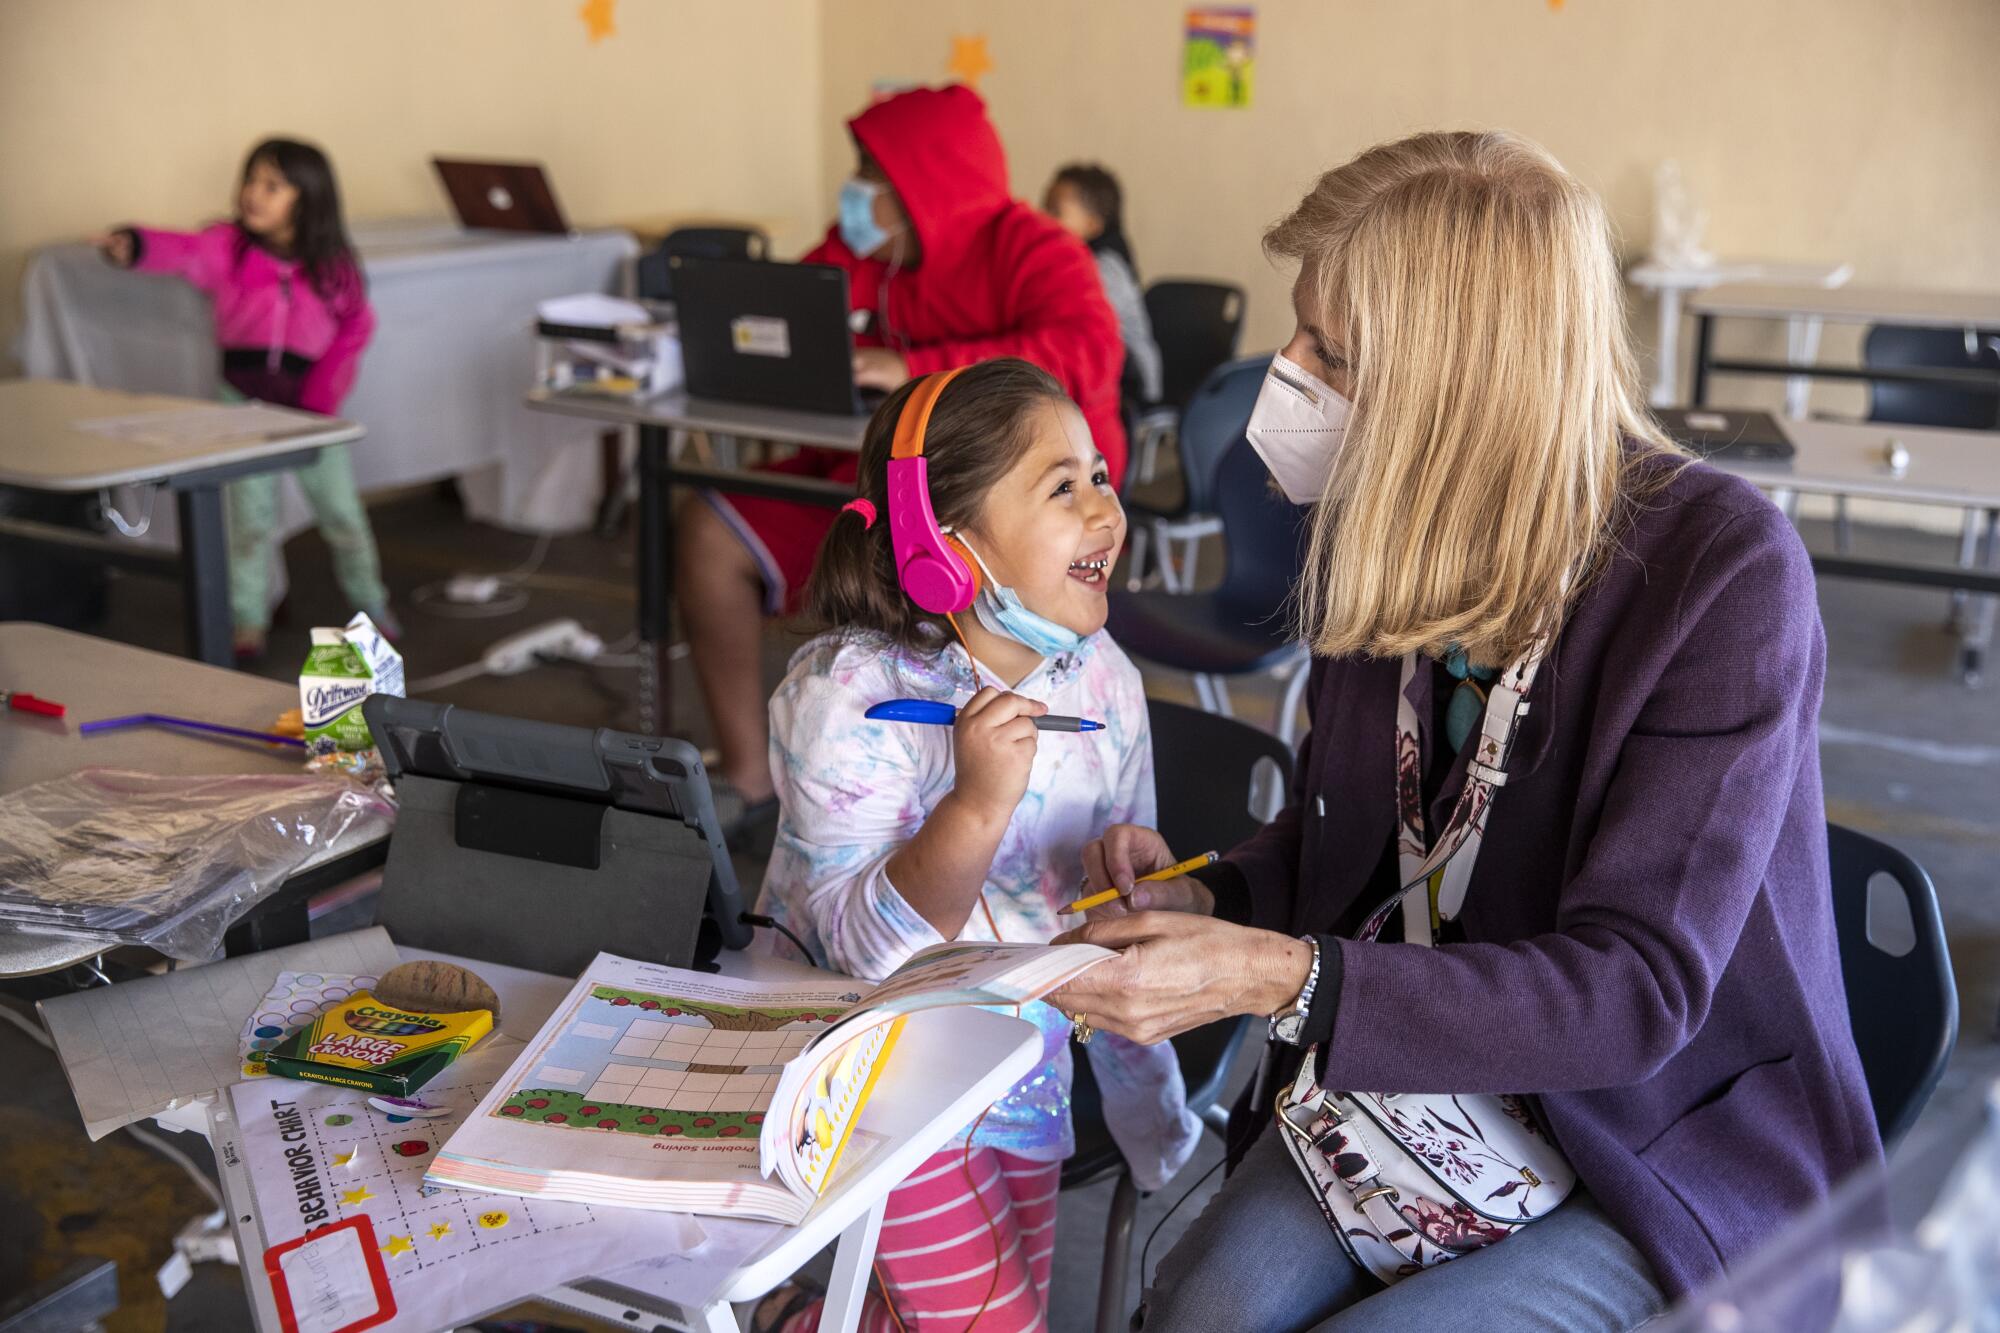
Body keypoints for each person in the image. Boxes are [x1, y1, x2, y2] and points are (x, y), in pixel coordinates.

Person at [1047, 130, 1880, 1331]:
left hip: (1651, 1138)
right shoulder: (1385, 531)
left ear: (1454, 394)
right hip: (1431, 1089)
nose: (1282, 373)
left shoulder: (1720, 574)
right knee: (1202, 1315)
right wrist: (1215, 900)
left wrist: (1279, 974)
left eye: (1327, 352)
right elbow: (1363, 836)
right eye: (1297, 332)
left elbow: (1633, 991)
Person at [752, 358, 1197, 1333]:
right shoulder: (849, 699)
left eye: (1100, 476)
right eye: (1061, 485)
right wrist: (972, 809)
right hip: (870, 1073)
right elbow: (862, 956)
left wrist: (1136, 877)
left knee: (990, 1310)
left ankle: (788, 1319)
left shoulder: (1105, 682)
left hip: (1020, 1067)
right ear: (939, 542)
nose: (1105, 509)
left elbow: (1134, 912)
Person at [678, 85, 1126, 825]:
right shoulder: (866, 252)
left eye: (870, 177)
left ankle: (948, 804)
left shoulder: (1035, 247)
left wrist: (918, 368)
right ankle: (754, 775)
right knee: (705, 530)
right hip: (866, 475)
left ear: (926, 186)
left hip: (1004, 504)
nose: (856, 195)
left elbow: (1086, 350)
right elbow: (786, 308)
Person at [97, 137, 391, 660]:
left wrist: (321, 396)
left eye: (272, 185)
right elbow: (180, 249)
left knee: (343, 515)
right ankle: (248, 620)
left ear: (308, 198)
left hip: (313, 415)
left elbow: (355, 327)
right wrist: (134, 244)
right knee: (250, 520)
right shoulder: (227, 246)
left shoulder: (333, 264)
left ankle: (371, 606)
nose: (253, 194)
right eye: (251, 180)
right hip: (243, 405)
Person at [1045, 163, 1163, 406]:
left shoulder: (1105, 268)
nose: (1043, 219)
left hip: (1131, 382)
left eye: (1056, 212)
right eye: (1045, 207)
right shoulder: (1063, 261)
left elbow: (1078, 327)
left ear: (1093, 225)